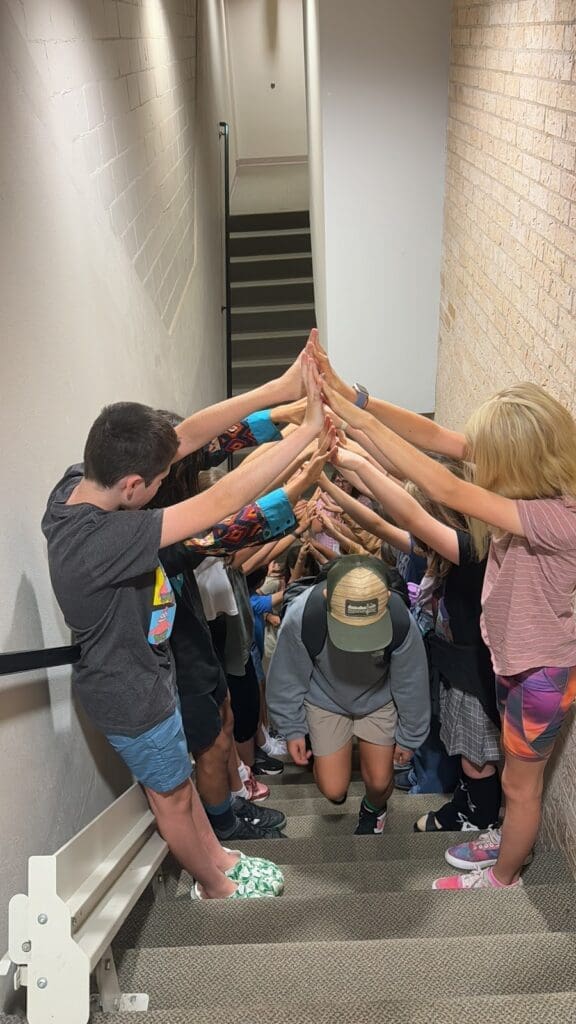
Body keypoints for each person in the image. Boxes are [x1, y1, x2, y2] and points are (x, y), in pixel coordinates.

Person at [41, 352, 324, 899]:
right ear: (130, 486)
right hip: (131, 697)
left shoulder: (73, 487)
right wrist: (305, 433)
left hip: (147, 675)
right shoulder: (107, 540)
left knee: (182, 780)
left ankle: (218, 854)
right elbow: (223, 501)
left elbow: (186, 434)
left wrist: (281, 385)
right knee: (170, 796)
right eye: (161, 478)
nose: (172, 479)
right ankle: (213, 884)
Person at [321, 362, 576, 891]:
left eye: (485, 458)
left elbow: (447, 490)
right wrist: (357, 400)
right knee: (513, 776)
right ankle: (506, 837)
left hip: (540, 675)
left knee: (520, 785)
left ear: (519, 461)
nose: (473, 465)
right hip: (518, 663)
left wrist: (356, 427)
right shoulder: (532, 494)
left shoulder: (557, 517)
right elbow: (437, 439)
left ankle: (504, 878)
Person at [328, 446, 501, 832]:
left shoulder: (471, 548)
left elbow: (398, 514)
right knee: (463, 746)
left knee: (476, 752)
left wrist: (355, 460)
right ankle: (467, 801)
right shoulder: (453, 547)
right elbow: (381, 524)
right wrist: (333, 478)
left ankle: (480, 819)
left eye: (427, 510)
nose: (418, 520)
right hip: (455, 665)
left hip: (472, 670)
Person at [267, 555, 430, 834]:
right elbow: (287, 676)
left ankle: (374, 809)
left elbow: (411, 681)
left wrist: (410, 736)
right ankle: (332, 768)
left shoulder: (400, 619)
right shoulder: (303, 614)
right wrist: (292, 730)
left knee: (380, 783)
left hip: (379, 697)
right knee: (333, 790)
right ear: (328, 598)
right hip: (324, 699)